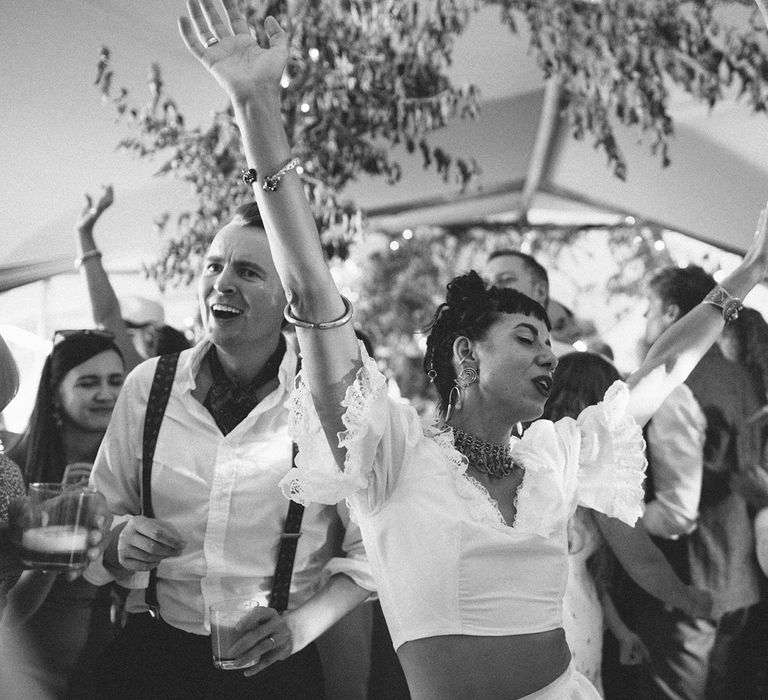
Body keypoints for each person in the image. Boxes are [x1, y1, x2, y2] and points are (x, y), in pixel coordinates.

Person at [177, 3, 768, 697]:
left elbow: (661, 370)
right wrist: (255, 105)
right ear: (465, 354)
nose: (550, 356)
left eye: (550, 341)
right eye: (527, 339)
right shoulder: (389, 451)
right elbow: (310, 290)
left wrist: (750, 274)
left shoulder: (554, 453)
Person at [85, 200, 374, 700]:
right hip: (153, 658)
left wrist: (299, 627)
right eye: (214, 266)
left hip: (275, 667)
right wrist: (118, 542)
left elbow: (371, 551)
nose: (222, 282)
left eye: (248, 271)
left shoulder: (332, 399)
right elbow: (98, 517)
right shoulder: (148, 387)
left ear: (291, 297)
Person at [605, 267, 768, 700]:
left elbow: (677, 513)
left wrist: (618, 520)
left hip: (687, 583)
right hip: (741, 577)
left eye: (650, 310)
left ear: (673, 312)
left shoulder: (676, 388)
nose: (645, 322)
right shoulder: (741, 375)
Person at [543, 351, 711, 695]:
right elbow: (642, 560)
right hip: (566, 630)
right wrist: (691, 600)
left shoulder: (544, 454)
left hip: (563, 622)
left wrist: (620, 630)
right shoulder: (594, 464)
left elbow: (584, 573)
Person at [1, 330, 124, 698]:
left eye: (116, 381)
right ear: (55, 392)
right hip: (27, 657)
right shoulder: (17, 466)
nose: (106, 394)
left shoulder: (130, 465)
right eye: (88, 383)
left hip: (97, 651)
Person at [75, 185, 189, 371]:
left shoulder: (146, 375)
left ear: (151, 341)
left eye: (133, 335)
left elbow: (107, 316)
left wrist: (83, 234)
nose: (126, 338)